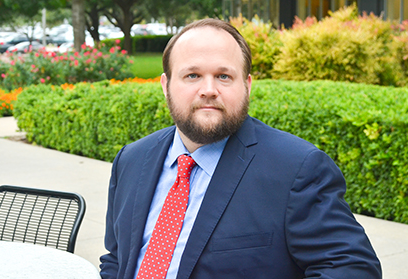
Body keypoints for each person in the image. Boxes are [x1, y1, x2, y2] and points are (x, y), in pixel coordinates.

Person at [100, 18, 381, 279]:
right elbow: (118, 258)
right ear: (165, 85)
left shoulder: (297, 169)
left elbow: (352, 268)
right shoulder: (131, 160)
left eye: (224, 76)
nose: (208, 89)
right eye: (192, 76)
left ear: (247, 86)